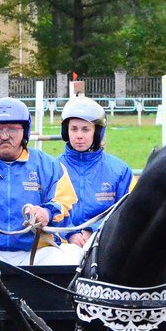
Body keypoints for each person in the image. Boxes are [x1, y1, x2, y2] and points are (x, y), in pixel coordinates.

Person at [0, 97, 81, 265]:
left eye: (12, 129)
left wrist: (46, 213)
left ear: (24, 131)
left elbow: (65, 202)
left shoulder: (50, 166)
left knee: (74, 255)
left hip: (37, 252)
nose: (4, 136)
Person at [56, 97, 134, 248]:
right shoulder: (52, 168)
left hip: (105, 243)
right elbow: (48, 209)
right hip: (61, 245)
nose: (79, 135)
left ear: (97, 132)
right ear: (66, 131)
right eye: (74, 129)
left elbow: (124, 212)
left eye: (86, 129)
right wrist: (70, 234)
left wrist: (94, 229)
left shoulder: (120, 170)